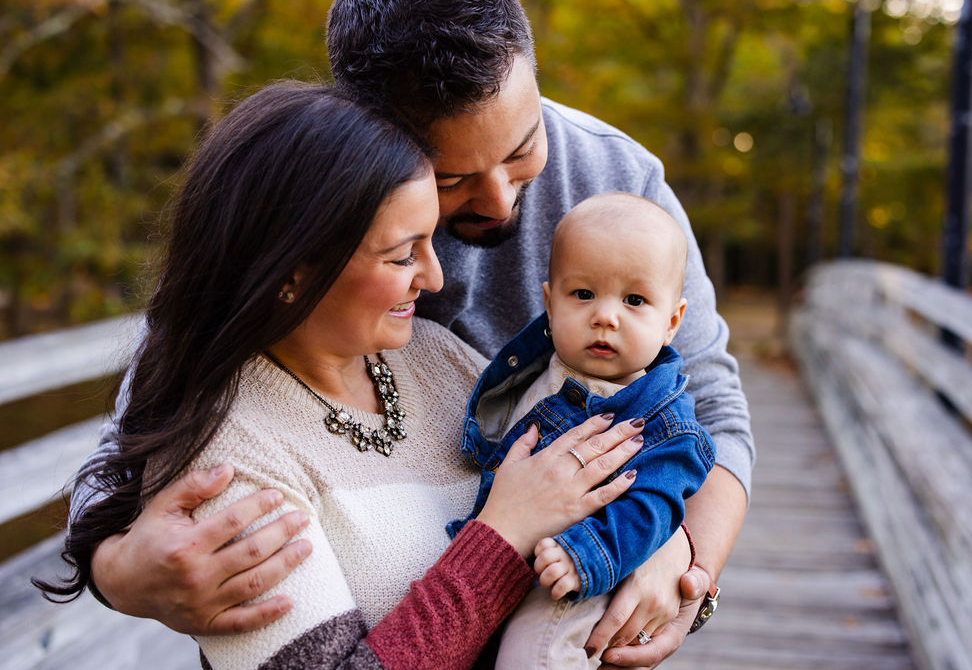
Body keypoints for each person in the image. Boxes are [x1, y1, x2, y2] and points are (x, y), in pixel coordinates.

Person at [74, 0, 753, 666]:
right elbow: (162, 409)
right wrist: (117, 568)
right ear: (370, 132)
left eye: (522, 148)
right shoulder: (321, 195)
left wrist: (683, 558)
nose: (498, 199)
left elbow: (708, 399)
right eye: (453, 177)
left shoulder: (616, 178)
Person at [39, 81, 648, 668]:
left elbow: (602, 460)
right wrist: (502, 535)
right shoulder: (230, 461)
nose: (436, 280)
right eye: (402, 255)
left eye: (430, 242)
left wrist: (665, 550)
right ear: (292, 271)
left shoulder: (438, 358)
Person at [448, 192, 716, 668]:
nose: (605, 316)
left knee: (533, 657)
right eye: (583, 294)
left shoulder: (665, 425)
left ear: (672, 321)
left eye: (635, 300)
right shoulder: (529, 368)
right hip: (504, 555)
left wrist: (585, 554)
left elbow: (653, 509)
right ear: (550, 304)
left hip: (577, 580)